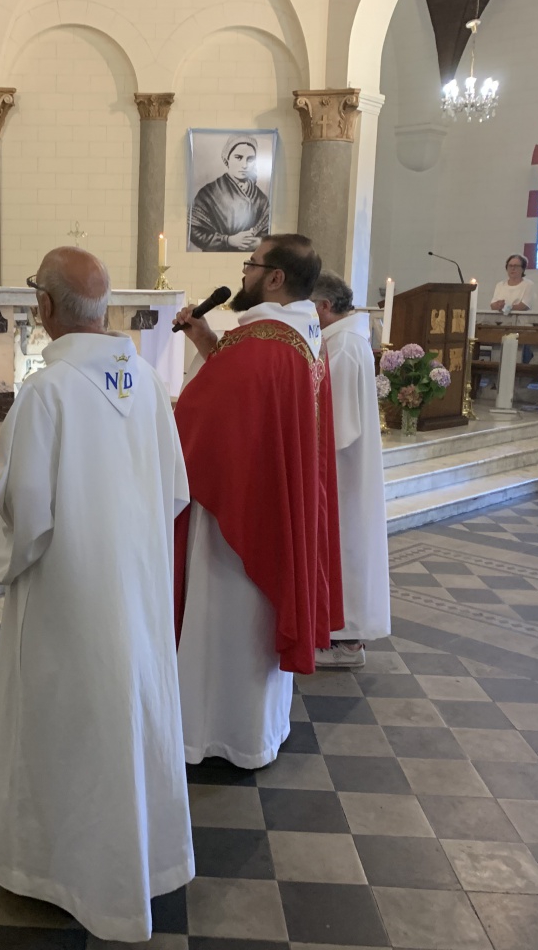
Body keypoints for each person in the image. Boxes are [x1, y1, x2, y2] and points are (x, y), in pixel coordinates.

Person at [0, 247, 194, 942]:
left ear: (44, 307)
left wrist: (5, 536)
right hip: (137, 596)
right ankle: (141, 860)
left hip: (67, 599)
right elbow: (177, 492)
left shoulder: (47, 392)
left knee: (66, 725)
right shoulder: (147, 383)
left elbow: (27, 512)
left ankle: (56, 870)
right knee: (128, 720)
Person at [172, 234, 343, 768]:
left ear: (274, 278)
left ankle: (213, 735)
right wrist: (208, 343)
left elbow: (199, 419)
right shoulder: (302, 336)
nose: (243, 274)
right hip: (273, 505)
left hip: (235, 519)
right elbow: (252, 405)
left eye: (251, 264)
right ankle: (258, 731)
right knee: (256, 625)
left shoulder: (261, 343)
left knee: (221, 623)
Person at [312, 272, 391, 668]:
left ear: (324, 307)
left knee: (347, 550)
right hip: (344, 471)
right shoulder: (343, 340)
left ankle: (345, 643)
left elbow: (335, 424)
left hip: (342, 473)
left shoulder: (341, 347)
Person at [189, 133, 272, 252]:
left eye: (250, 159)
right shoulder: (208, 194)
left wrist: (259, 242)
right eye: (238, 157)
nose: (244, 165)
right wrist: (228, 240)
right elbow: (194, 231)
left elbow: (269, 232)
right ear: (227, 158)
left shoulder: (261, 198)